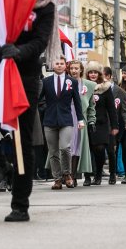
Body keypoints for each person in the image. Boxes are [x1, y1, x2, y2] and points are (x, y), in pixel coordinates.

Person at [0, 0, 57, 222]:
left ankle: (20, 204)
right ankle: (2, 166)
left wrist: (18, 52)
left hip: (24, 74)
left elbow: (41, 40)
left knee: (22, 138)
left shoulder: (45, 3)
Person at [42, 56, 86, 189]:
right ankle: (57, 179)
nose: (59, 65)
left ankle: (67, 174)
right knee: (53, 151)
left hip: (66, 120)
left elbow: (77, 102)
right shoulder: (46, 81)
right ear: (52, 65)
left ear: (65, 66)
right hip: (49, 120)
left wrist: (80, 119)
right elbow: (38, 98)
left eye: (62, 63)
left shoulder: (71, 81)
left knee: (65, 148)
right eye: (57, 63)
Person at [86, 62, 119, 185]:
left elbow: (111, 108)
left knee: (99, 149)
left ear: (99, 74)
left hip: (101, 123)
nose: (93, 74)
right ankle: (88, 176)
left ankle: (100, 174)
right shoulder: (84, 86)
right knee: (87, 150)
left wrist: (115, 126)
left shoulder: (105, 88)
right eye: (90, 72)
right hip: (87, 122)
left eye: (95, 72)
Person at [67, 60, 97, 187]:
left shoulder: (89, 85)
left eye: (76, 68)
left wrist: (91, 120)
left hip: (80, 119)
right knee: (65, 147)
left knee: (77, 148)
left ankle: (73, 176)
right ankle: (65, 174)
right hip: (66, 117)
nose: (74, 70)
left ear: (81, 70)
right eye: (72, 68)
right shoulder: (64, 83)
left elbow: (91, 106)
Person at [103, 66, 126, 184]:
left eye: (105, 75)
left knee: (111, 150)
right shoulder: (97, 89)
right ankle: (96, 173)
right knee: (98, 149)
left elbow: (125, 109)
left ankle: (113, 173)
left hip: (114, 124)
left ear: (110, 77)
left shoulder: (120, 92)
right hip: (101, 123)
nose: (103, 78)